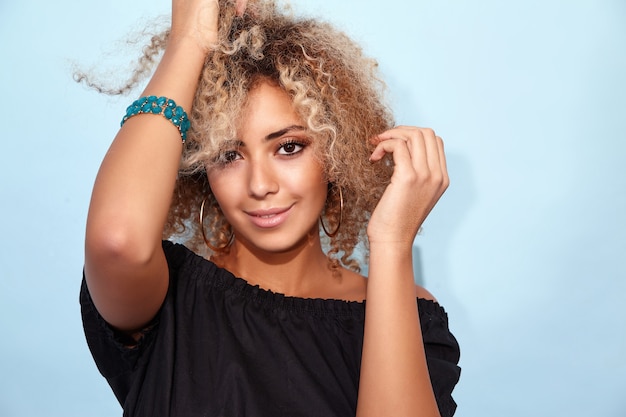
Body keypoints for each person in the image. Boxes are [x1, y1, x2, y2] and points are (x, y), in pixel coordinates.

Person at [79, 0, 461, 416]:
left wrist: (391, 243)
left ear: (336, 154)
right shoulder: (166, 295)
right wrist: (188, 40)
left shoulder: (408, 312)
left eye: (289, 147)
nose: (260, 185)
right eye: (228, 155)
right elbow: (116, 240)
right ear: (198, 169)